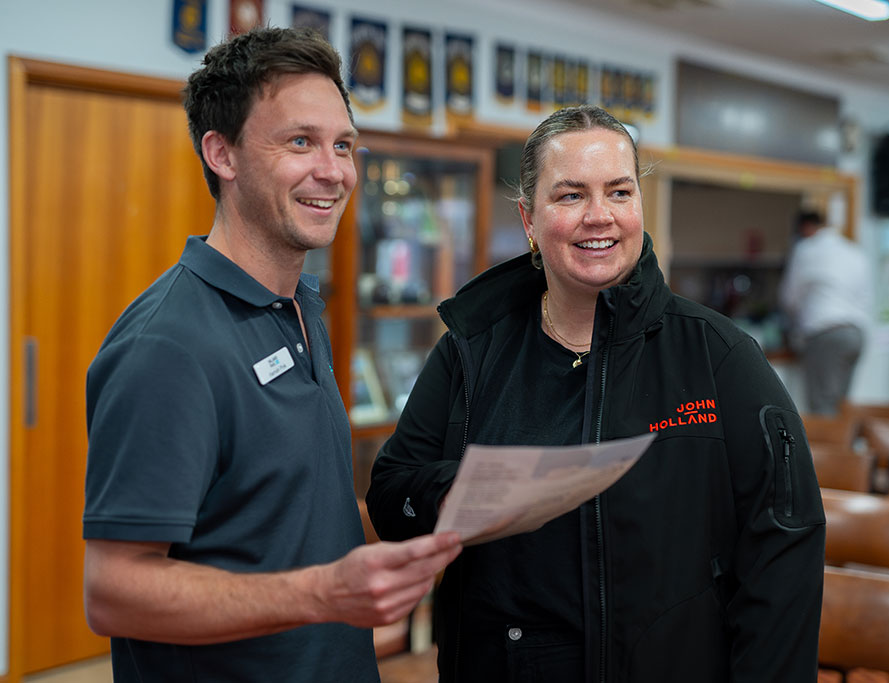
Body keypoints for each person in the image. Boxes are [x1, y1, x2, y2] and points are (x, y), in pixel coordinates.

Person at [366, 105, 825, 682]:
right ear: (529, 219)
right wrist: (479, 489)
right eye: (570, 195)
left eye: (619, 192)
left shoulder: (718, 356)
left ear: (639, 205)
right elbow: (391, 500)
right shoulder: (471, 349)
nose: (599, 216)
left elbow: (783, 554)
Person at [82, 27, 461, 682]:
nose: (334, 170)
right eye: (300, 142)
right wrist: (321, 592)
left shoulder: (299, 307)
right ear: (221, 153)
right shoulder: (168, 345)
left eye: (343, 145)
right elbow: (113, 589)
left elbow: (281, 517)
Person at [779, 209, 872, 415]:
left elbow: (789, 297)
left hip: (826, 333)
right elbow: (865, 296)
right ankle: (844, 446)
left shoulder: (806, 249)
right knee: (842, 405)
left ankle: (831, 448)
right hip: (857, 333)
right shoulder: (854, 251)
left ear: (805, 228)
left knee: (823, 408)